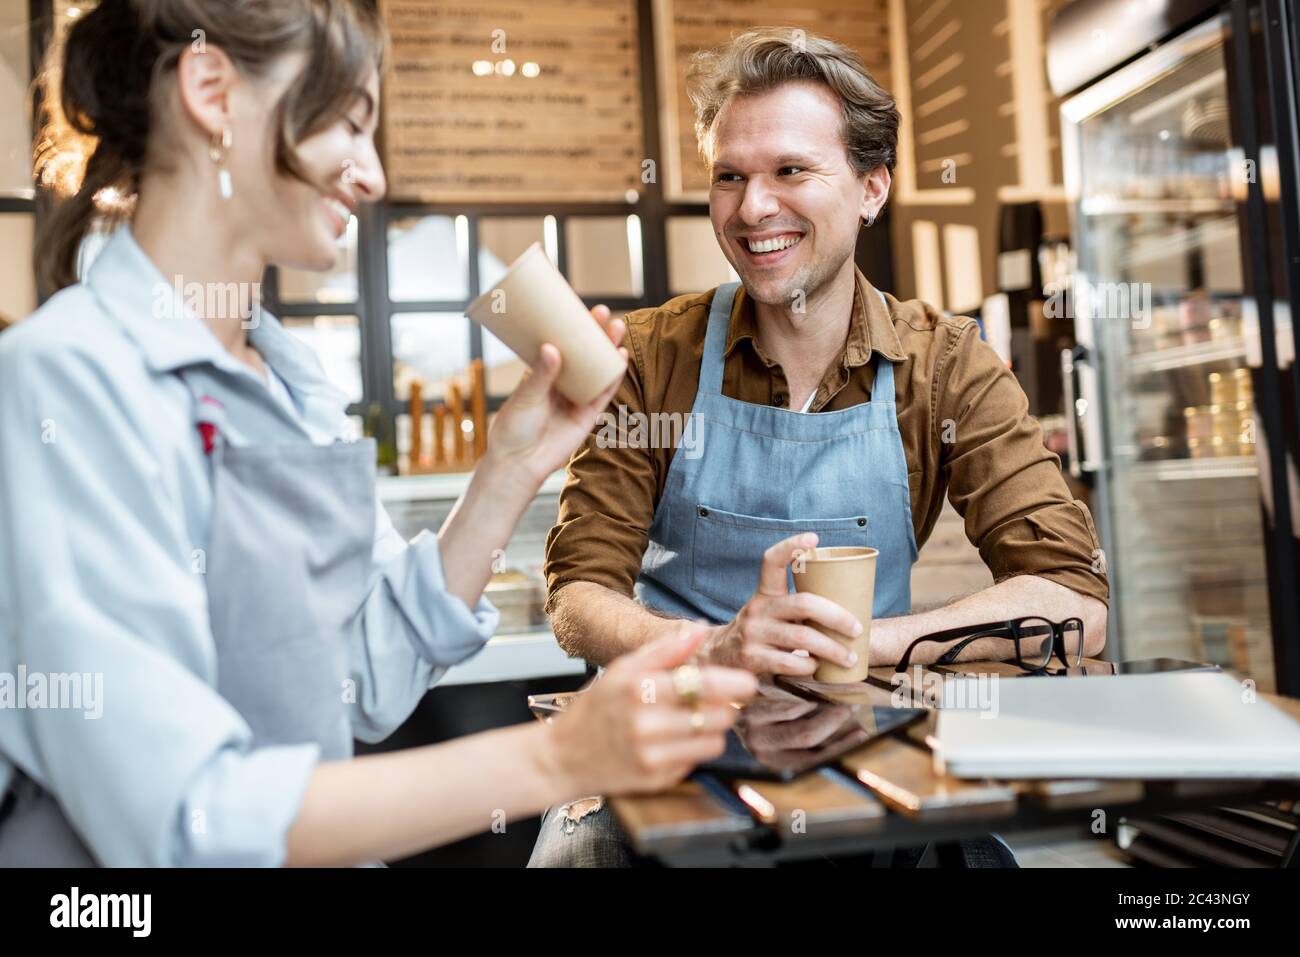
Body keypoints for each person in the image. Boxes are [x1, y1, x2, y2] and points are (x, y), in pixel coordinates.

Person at [0, 0, 756, 868]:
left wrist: (511, 466)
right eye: (352, 124)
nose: (372, 173)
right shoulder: (63, 379)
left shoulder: (287, 380)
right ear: (211, 90)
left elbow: (359, 679)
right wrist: (560, 754)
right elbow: (184, 817)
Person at [530, 28, 1109, 867]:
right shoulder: (653, 355)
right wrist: (717, 652)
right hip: (657, 751)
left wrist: (851, 645)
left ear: (873, 187)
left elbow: (1073, 602)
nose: (753, 206)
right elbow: (579, 595)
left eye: (790, 171)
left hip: (858, 746)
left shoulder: (946, 365)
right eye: (730, 176)